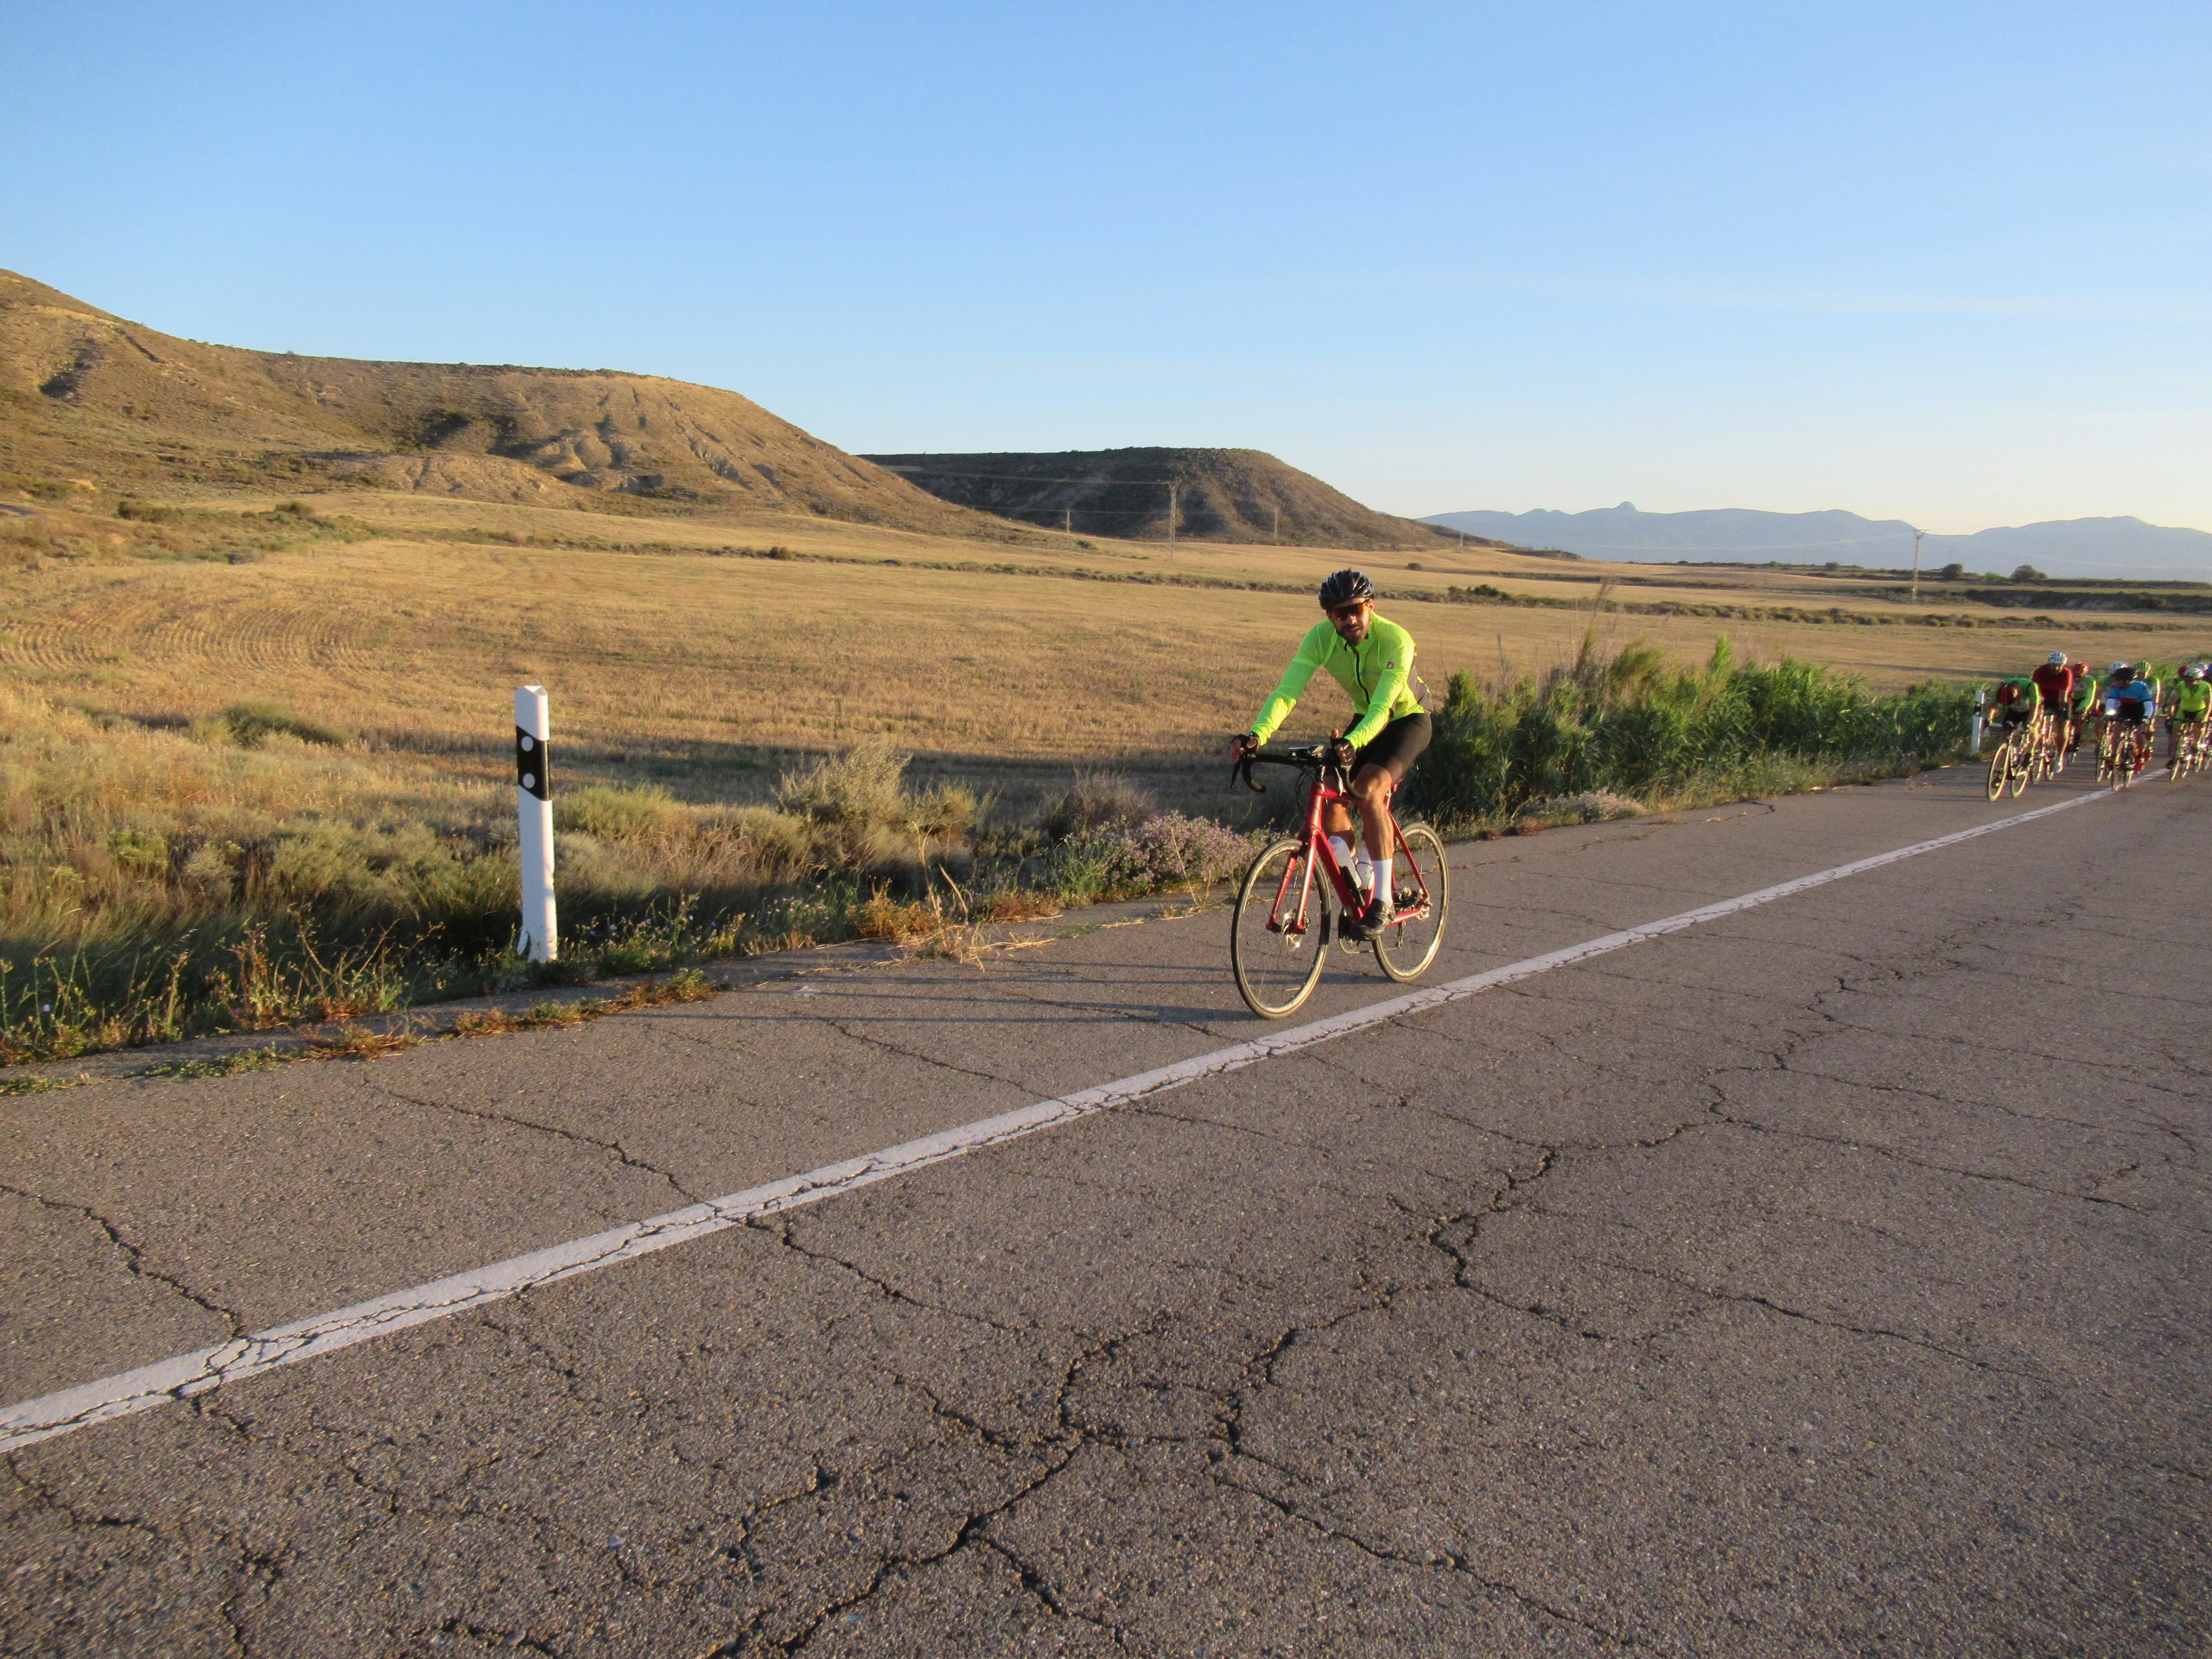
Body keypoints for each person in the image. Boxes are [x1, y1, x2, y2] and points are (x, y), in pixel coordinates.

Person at [1229, 570, 1430, 940]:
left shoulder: (1396, 640)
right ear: (1330, 618)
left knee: (1369, 789)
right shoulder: (1320, 640)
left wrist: (1353, 743)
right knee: (1330, 790)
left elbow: (1383, 707)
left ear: (1370, 606)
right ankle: (1356, 881)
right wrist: (1257, 735)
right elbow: (1287, 693)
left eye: (1356, 609)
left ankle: (1382, 900)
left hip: (1406, 718)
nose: (1350, 619)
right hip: (1364, 718)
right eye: (1340, 614)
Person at [2029, 652, 2076, 759]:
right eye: (2053, 665)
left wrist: (2061, 709)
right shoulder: (2041, 671)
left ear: (2063, 665)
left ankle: (2059, 756)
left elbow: (2064, 693)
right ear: (2049, 664)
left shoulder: (2067, 673)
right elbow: (2034, 689)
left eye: (2059, 666)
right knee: (2035, 721)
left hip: (2061, 699)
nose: (2056, 668)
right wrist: (2037, 703)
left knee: (2062, 726)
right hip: (2043, 699)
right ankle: (2034, 747)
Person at [2168, 663, 2210, 766]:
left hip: (2199, 710)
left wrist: (2204, 718)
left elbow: (2209, 705)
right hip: (2184, 710)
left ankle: (2197, 745)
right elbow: (2173, 701)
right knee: (2175, 735)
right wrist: (2171, 714)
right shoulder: (2181, 685)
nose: (2188, 683)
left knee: (2198, 728)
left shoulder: (2205, 687)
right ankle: (2173, 758)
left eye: (2191, 681)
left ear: (2199, 680)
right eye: (2186, 680)